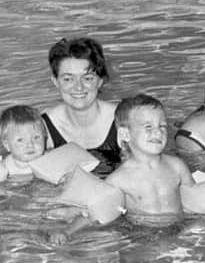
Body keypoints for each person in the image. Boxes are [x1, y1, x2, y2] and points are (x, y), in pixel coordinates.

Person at [47, 94, 194, 244]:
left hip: (179, 229)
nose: (157, 132)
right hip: (142, 236)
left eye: (162, 126)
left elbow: (195, 200)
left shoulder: (177, 166)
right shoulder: (120, 179)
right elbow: (95, 213)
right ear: (125, 134)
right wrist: (67, 232)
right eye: (148, 127)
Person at [43, 37, 120, 175]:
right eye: (68, 79)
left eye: (88, 78)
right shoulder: (43, 128)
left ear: (100, 81)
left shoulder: (123, 121)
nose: (78, 87)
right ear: (55, 81)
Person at [0, 105, 47, 181]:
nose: (30, 145)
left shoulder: (50, 160)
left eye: (36, 137)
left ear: (45, 136)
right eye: (20, 140)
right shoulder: (5, 167)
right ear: (7, 145)